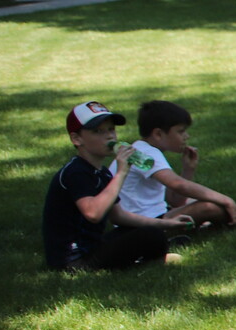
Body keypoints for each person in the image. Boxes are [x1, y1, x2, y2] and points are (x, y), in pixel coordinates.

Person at [42, 101, 188, 271]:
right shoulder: (76, 172)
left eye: (111, 129)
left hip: (93, 246)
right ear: (77, 139)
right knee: (150, 235)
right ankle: (145, 258)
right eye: (98, 131)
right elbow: (93, 213)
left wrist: (167, 223)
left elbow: (118, 216)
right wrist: (121, 173)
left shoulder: (101, 172)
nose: (110, 136)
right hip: (73, 260)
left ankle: (149, 252)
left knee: (148, 231)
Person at [114, 100, 236, 231]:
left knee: (202, 200)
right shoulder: (145, 153)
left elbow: (176, 201)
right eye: (181, 131)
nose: (186, 136)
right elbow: (178, 185)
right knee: (210, 206)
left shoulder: (142, 149)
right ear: (158, 134)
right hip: (144, 224)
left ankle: (229, 217)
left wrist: (188, 169)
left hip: (152, 217)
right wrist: (227, 200)